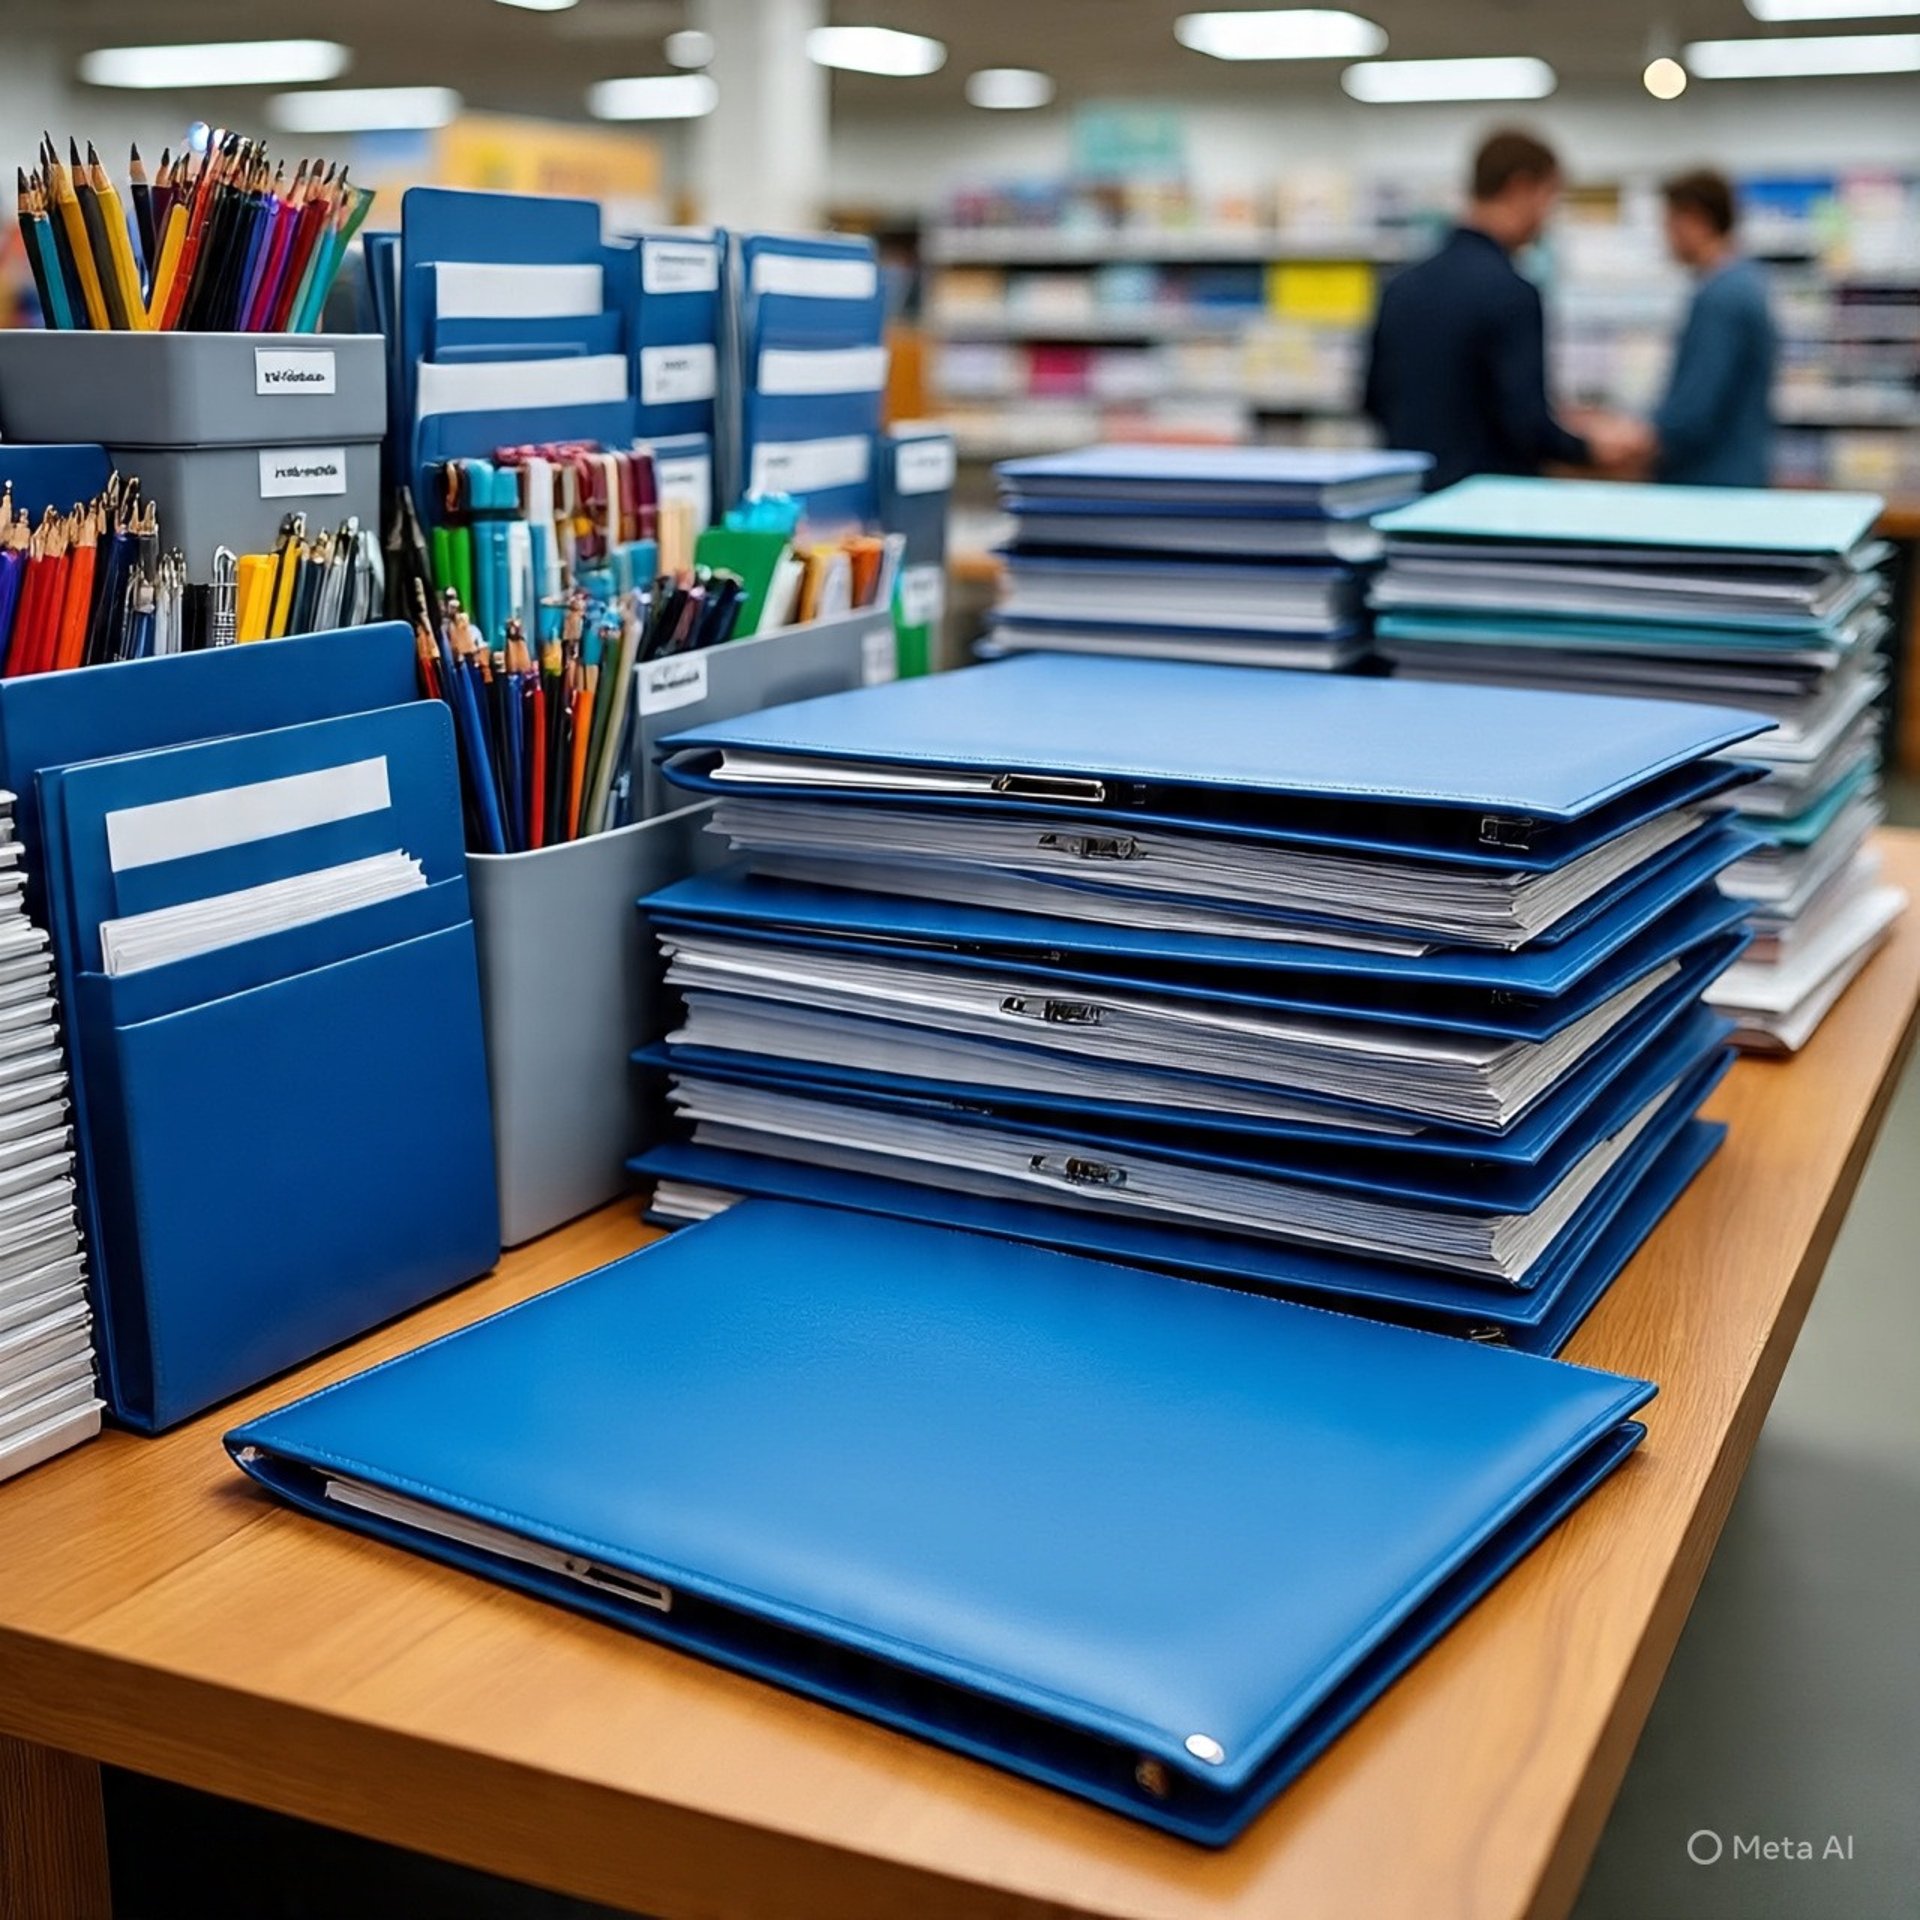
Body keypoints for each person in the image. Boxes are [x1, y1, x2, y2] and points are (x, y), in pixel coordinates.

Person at [1363, 129, 1641, 490]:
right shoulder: (1513, 294)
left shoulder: (1400, 288)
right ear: (1521, 187)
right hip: (1487, 509)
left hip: (1407, 502)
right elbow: (1526, 424)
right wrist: (1591, 449)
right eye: (1549, 198)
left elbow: (1371, 401)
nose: (1547, 218)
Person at [1642, 168, 1776, 487]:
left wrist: (1630, 438)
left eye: (1669, 223)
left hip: (1709, 484)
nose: (1665, 235)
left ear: (1696, 220)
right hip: (1737, 476)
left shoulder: (1721, 297)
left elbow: (1693, 411)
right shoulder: (1745, 283)